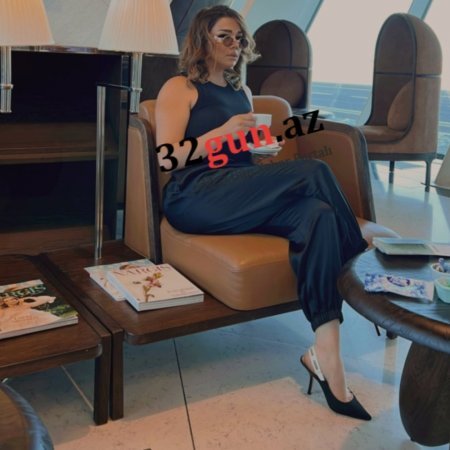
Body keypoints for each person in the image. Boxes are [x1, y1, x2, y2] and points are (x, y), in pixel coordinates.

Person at [155, 5, 371, 421]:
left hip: (239, 189)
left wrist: (256, 149)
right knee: (314, 170)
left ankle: (325, 355)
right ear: (202, 39)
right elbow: (166, 158)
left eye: (239, 38)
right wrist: (220, 134)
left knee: (319, 215)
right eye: (224, 36)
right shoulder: (179, 87)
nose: (235, 45)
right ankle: (361, 268)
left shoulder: (243, 91)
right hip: (194, 194)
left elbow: (241, 152)